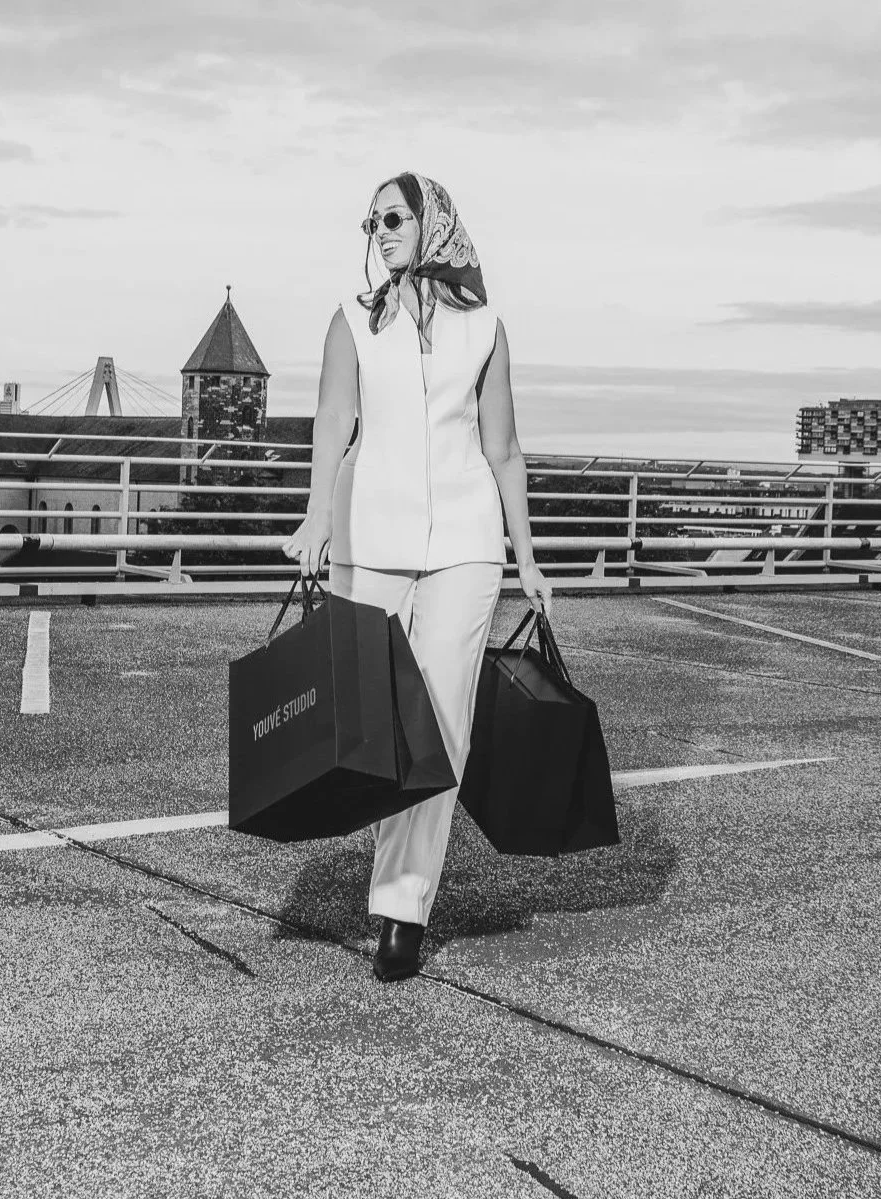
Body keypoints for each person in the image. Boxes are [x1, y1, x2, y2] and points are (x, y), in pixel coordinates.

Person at [282, 171, 552, 983]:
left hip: (467, 542)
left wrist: (528, 555)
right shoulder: (352, 322)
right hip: (369, 536)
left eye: (393, 217)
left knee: (441, 724)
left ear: (432, 221)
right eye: (371, 222)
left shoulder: (486, 327)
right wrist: (316, 518)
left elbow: (503, 449)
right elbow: (332, 423)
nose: (380, 231)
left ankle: (403, 908)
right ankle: (392, 851)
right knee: (375, 725)